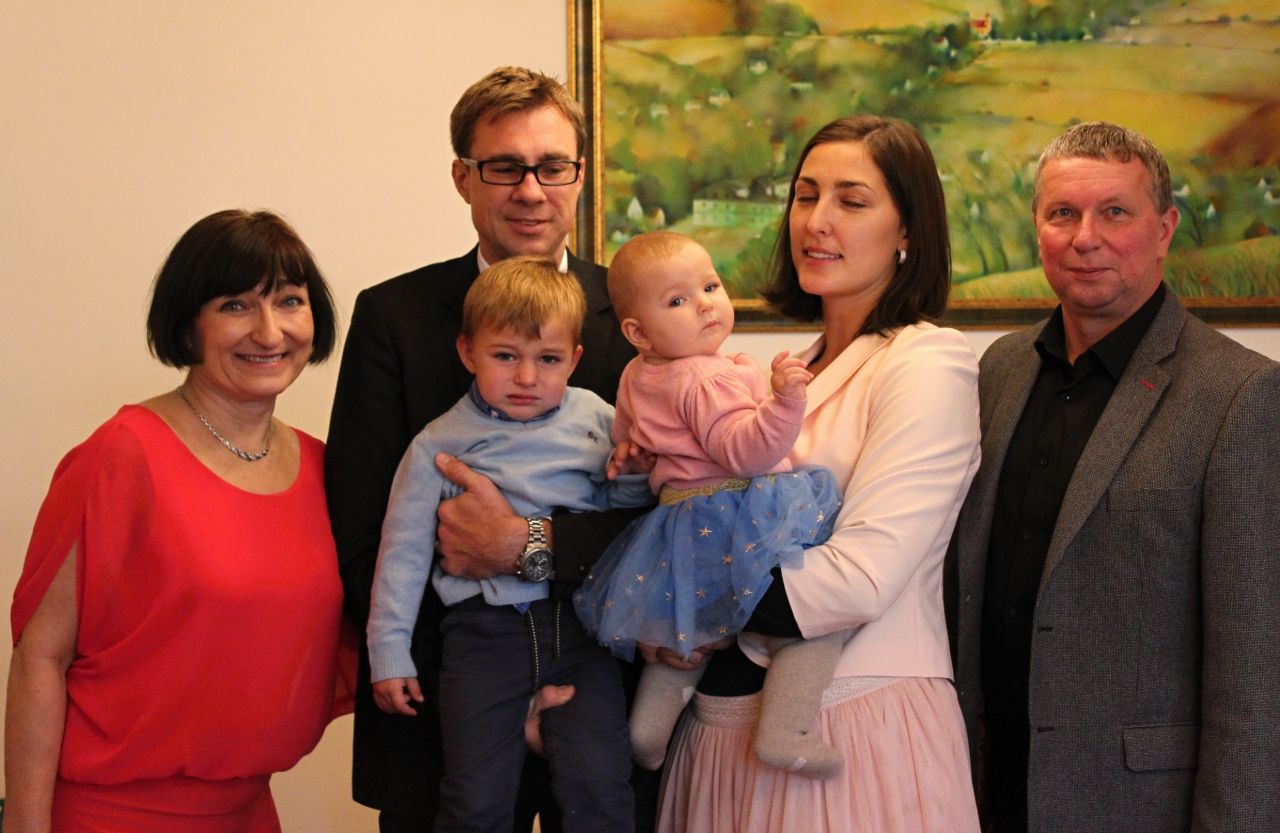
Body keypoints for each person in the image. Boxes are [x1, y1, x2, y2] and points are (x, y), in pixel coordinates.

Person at [324, 66, 644, 832]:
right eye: (504, 167)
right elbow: (363, 532)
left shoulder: (638, 315)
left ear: (580, 176)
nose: (531, 190)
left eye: (552, 166)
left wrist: (524, 546)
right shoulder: (393, 316)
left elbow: (664, 520)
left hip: (598, 696)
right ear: (463, 177)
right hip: (448, 707)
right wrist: (483, 694)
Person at [947, 121, 1280, 832]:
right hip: (984, 790)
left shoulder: (1241, 396)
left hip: (1135, 805)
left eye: (1115, 212)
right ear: (1038, 228)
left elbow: (1256, 669)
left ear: (1164, 230)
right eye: (1062, 213)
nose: (1085, 237)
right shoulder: (998, 370)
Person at [656, 115, 982, 832]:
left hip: (853, 725)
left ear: (908, 230)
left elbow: (861, 575)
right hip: (722, 733)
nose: (817, 221)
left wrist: (680, 598)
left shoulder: (926, 361)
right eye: (805, 196)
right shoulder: (771, 376)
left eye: (851, 201)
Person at [5, 209, 347, 832]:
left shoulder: (326, 469)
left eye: (289, 301)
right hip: (115, 813)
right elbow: (40, 659)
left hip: (249, 812)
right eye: (235, 305)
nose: (269, 331)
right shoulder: (121, 454)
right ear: (188, 322)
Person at [366, 257, 651, 833]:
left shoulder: (599, 418)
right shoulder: (439, 442)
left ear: (574, 359)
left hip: (584, 630)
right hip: (483, 636)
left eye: (547, 360)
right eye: (504, 356)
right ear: (467, 351)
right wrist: (389, 651)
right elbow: (402, 553)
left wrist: (635, 475)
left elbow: (627, 520)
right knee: (475, 796)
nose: (526, 378)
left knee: (599, 785)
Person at [573, 231, 845, 778]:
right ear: (637, 331)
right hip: (739, 512)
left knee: (689, 633)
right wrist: (785, 402)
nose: (704, 305)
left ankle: (647, 734)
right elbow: (745, 452)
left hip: (679, 523)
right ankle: (786, 729)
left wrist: (633, 455)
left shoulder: (637, 372)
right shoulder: (705, 377)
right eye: (678, 300)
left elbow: (631, 436)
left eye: (710, 286)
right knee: (819, 615)